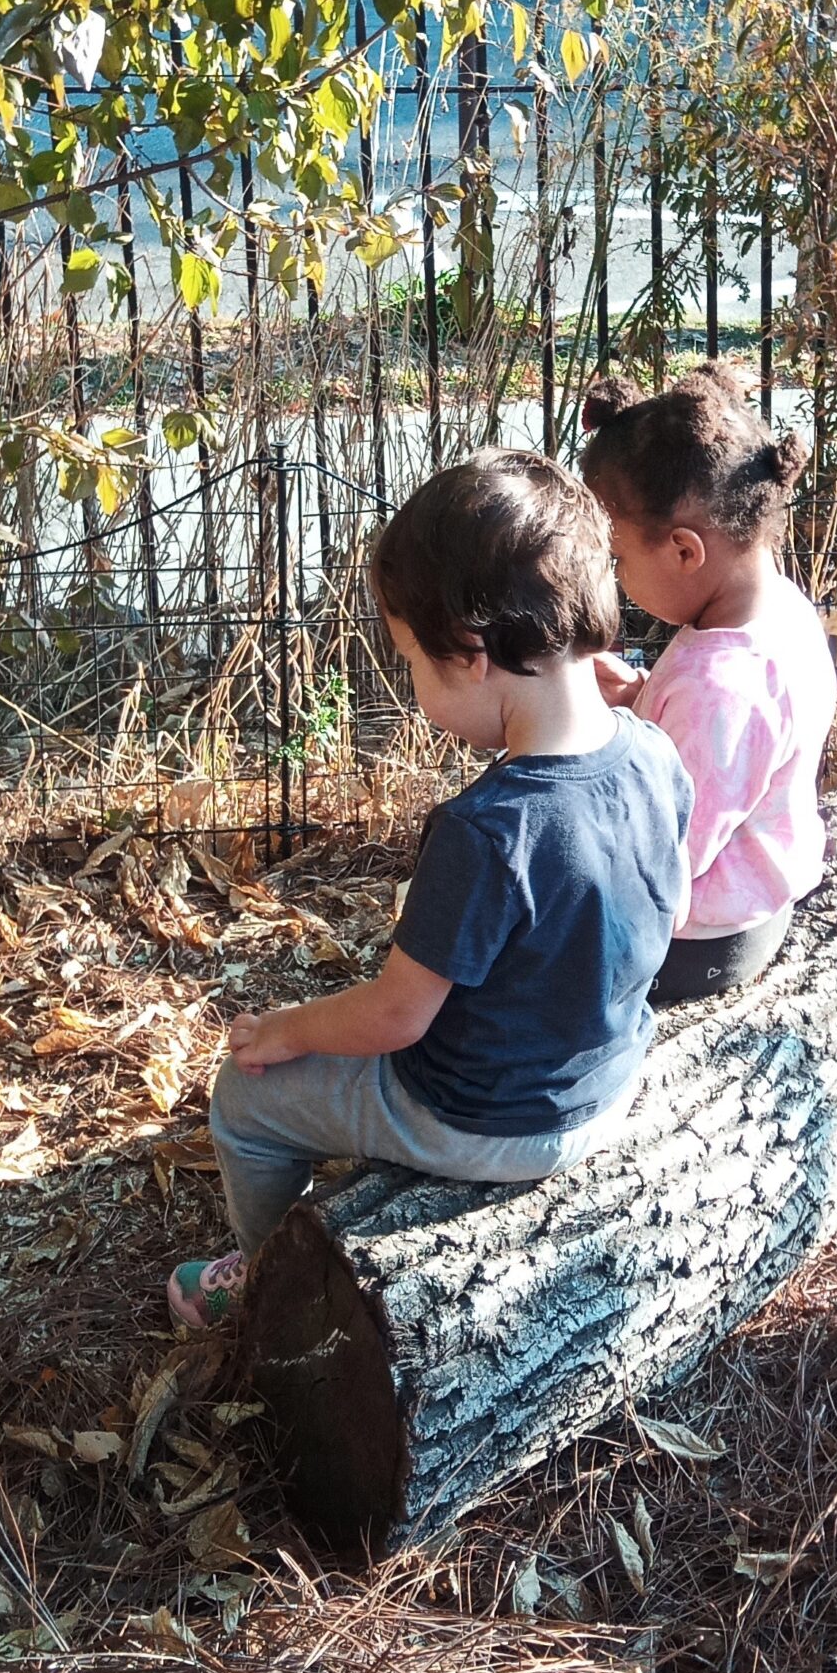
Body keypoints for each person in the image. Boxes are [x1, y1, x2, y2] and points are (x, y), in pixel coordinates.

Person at [167, 450, 691, 1330]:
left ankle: (264, 1289)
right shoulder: (654, 752)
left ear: (470, 652)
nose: (412, 687)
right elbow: (663, 914)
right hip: (611, 1079)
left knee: (247, 1101)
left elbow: (395, 1018)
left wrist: (286, 1031)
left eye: (411, 658)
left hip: (489, 1121)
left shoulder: (487, 829)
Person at [579, 365, 834, 1008]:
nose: (617, 577)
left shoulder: (721, 691)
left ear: (686, 550)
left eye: (619, 559)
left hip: (701, 942)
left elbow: (662, 869)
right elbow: (723, 754)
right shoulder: (778, 612)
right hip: (753, 905)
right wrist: (643, 696)